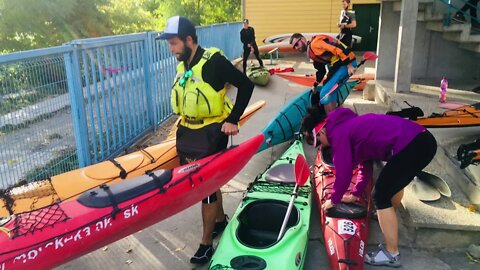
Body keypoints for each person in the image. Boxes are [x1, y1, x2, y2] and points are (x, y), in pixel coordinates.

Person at [159, 16, 254, 265]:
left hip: (212, 132)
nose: (171, 49)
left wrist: (233, 119)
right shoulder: (183, 64)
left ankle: (205, 244)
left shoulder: (214, 62)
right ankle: (220, 220)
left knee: (205, 187)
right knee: (210, 183)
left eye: (173, 43)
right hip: (188, 132)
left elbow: (246, 85)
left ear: (189, 40)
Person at [302, 107, 437, 268]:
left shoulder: (339, 134)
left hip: (413, 145)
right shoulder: (348, 126)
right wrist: (355, 194)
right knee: (391, 186)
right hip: (423, 140)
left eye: (316, 142)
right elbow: (365, 167)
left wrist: (333, 200)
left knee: (380, 196)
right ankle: (387, 217)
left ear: (321, 131)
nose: (320, 147)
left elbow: (344, 174)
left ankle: (392, 254)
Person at [289, 33, 357, 113]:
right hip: (339, 64)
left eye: (297, 44)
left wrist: (349, 65)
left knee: (325, 93)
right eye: (294, 47)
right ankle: (338, 115)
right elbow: (321, 71)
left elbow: (337, 48)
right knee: (330, 89)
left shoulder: (315, 44)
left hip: (346, 62)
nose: (297, 48)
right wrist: (315, 85)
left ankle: (332, 121)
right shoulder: (312, 53)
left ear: (303, 39)